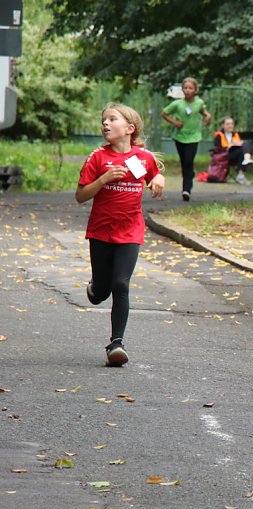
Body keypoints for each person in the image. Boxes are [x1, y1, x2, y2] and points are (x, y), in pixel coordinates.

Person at [75, 103, 165, 366]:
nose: (105, 124)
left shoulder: (141, 158)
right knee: (103, 291)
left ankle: (116, 344)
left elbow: (153, 175)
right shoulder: (98, 158)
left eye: (112, 119)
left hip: (130, 230)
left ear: (129, 128)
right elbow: (80, 196)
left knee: (121, 284)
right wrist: (103, 179)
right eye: (103, 120)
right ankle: (95, 287)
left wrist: (159, 179)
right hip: (101, 231)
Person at [160, 77, 211, 201]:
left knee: (188, 161)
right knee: (184, 162)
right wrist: (174, 122)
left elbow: (204, 112)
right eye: (185, 88)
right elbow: (164, 113)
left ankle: (186, 189)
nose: (188, 90)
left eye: (190, 88)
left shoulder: (199, 102)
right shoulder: (178, 104)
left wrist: (208, 117)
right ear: (182, 89)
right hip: (180, 137)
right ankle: (189, 176)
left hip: (194, 137)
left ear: (195, 90)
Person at [213, 116, 253, 184]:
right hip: (224, 157)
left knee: (245, 144)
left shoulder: (235, 134)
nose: (230, 126)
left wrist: (238, 144)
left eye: (232, 124)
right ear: (223, 125)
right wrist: (229, 146)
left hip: (236, 155)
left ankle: (246, 159)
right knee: (241, 151)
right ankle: (241, 175)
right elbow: (217, 149)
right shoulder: (218, 135)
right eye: (228, 124)